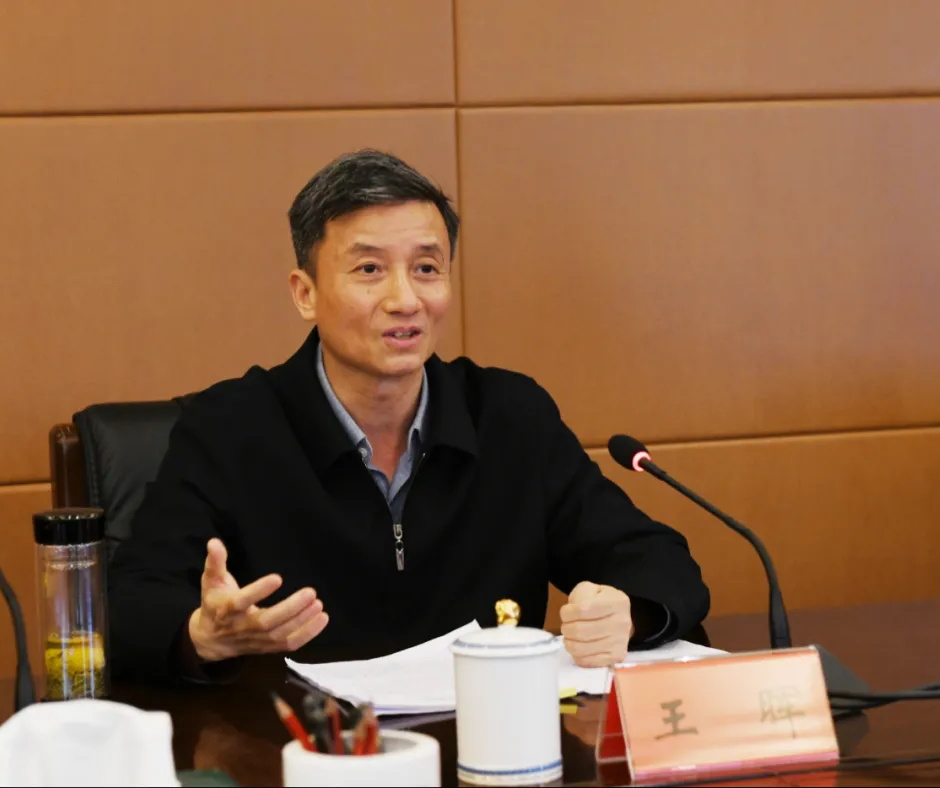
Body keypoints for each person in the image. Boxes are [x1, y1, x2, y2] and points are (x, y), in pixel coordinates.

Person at [109, 149, 710, 683]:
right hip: (306, 751)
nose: (405, 300)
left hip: (490, 744)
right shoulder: (230, 428)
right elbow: (128, 604)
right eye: (369, 269)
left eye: (426, 268)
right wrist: (202, 636)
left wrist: (630, 611)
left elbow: (657, 561)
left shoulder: (508, 416)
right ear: (305, 293)